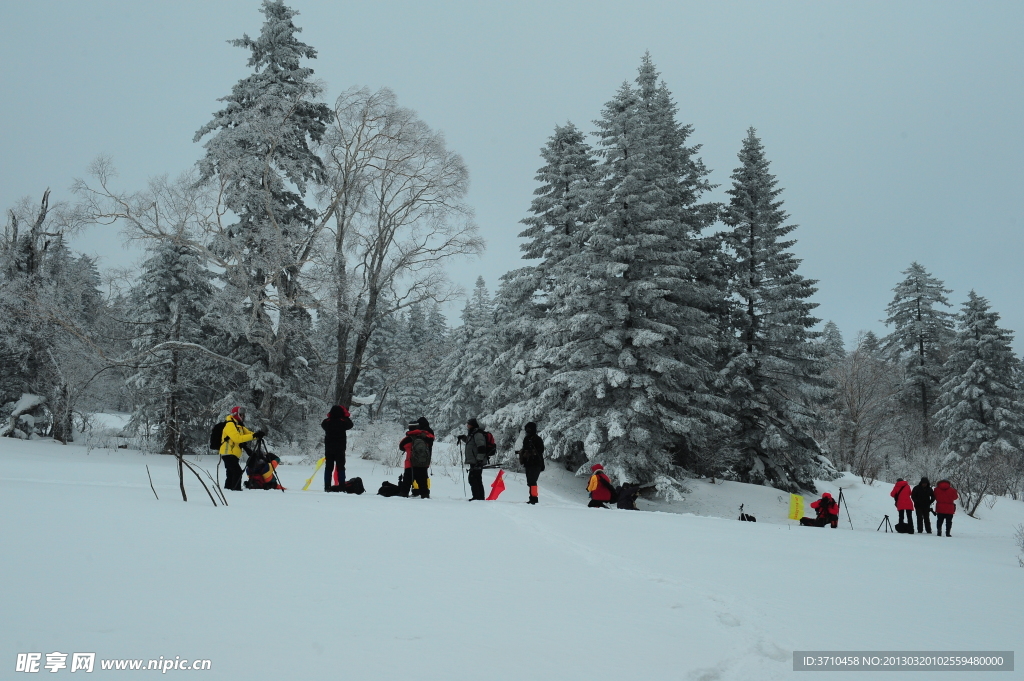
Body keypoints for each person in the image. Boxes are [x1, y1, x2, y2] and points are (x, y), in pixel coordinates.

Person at [220, 406, 264, 491]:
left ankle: (228, 489)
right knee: (237, 472)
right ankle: (236, 490)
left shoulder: (239, 426)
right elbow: (237, 438)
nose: (243, 416)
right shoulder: (230, 425)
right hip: (228, 453)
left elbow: (249, 433)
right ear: (236, 414)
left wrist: (257, 435)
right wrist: (254, 436)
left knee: (231, 473)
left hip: (233, 454)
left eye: (243, 415)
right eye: (241, 415)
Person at [399, 418, 435, 499]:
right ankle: (425, 495)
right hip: (422, 463)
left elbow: (401, 446)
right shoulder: (425, 437)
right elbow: (431, 442)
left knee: (407, 481)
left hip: (410, 464)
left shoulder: (407, 439)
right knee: (423, 481)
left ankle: (403, 494)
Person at [321, 405, 354, 492]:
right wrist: (345, 416)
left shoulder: (327, 422)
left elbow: (323, 424)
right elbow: (350, 424)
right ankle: (342, 486)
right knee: (341, 467)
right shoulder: (343, 421)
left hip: (329, 448)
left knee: (328, 467)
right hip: (340, 448)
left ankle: (327, 486)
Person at [460, 418, 488, 500]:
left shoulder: (477, 433)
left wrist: (479, 459)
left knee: (473, 479)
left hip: (477, 461)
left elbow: (481, 446)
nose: (467, 425)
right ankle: (479, 497)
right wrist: (463, 438)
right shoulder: (473, 433)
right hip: (475, 460)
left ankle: (477, 497)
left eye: (468, 424)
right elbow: (472, 443)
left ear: (472, 425)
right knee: (477, 478)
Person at [518, 422, 545, 505]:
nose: (527, 431)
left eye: (529, 429)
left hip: (536, 463)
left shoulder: (537, 439)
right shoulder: (526, 439)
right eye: (527, 429)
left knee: (532, 481)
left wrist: (531, 452)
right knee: (530, 481)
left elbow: (540, 450)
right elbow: (524, 448)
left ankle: (534, 498)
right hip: (528, 463)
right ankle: (532, 498)